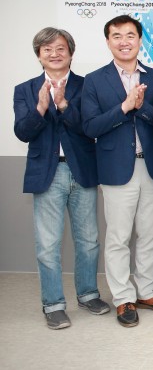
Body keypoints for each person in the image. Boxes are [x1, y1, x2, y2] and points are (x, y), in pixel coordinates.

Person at [82, 15, 153, 327]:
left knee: (150, 233)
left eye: (130, 35)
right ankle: (123, 297)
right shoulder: (94, 80)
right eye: (117, 36)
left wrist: (141, 106)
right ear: (108, 41)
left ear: (140, 40)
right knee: (119, 237)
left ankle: (147, 291)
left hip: (151, 166)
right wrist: (124, 107)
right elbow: (90, 126)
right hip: (115, 169)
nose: (124, 41)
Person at [13, 27, 110, 330]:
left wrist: (64, 105)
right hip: (47, 172)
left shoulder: (87, 85)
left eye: (60, 49)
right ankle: (53, 304)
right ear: (39, 55)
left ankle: (88, 294)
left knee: (89, 241)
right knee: (48, 244)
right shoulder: (25, 89)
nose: (54, 54)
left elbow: (91, 128)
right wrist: (41, 108)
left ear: (70, 52)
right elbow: (23, 132)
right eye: (47, 50)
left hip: (82, 169)